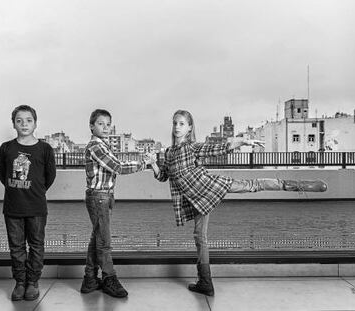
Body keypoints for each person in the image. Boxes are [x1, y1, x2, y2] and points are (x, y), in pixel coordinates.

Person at [149, 110, 327, 297]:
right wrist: (153, 164)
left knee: (252, 185)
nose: (177, 127)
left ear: (189, 128)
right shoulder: (168, 153)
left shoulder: (192, 147)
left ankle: (293, 185)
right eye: (175, 123)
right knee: (200, 238)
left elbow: (218, 148)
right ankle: (205, 282)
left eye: (182, 124)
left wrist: (243, 141)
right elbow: (164, 176)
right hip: (196, 200)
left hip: (209, 188)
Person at [81, 109, 153, 298]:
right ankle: (109, 278)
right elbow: (118, 167)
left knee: (97, 238)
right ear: (91, 126)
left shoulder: (103, 146)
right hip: (99, 197)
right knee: (104, 242)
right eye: (100, 124)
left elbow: (115, 163)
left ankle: (89, 279)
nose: (105, 127)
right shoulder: (95, 146)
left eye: (108, 124)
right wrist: (144, 163)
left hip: (103, 196)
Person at [0, 105, 56, 301]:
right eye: (19, 120)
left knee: (37, 246)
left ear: (35, 123)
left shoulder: (45, 149)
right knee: (16, 246)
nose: (24, 124)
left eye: (29, 120)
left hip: (37, 207)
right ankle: (20, 282)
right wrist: (18, 187)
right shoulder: (6, 148)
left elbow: (50, 176)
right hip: (13, 207)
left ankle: (32, 282)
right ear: (13, 123)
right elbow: (2, 174)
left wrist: (35, 191)